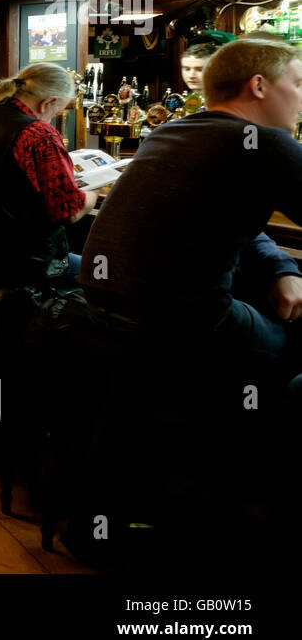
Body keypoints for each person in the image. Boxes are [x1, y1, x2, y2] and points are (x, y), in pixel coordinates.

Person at [80, 38, 302, 403]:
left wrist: (280, 267)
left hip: (104, 308)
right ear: (259, 85)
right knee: (291, 339)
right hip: (180, 322)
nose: (300, 97)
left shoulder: (168, 133)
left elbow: (228, 216)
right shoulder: (266, 142)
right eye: (296, 84)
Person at [0, 63, 98, 286]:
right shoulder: (39, 133)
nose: (53, 118)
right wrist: (94, 191)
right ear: (48, 103)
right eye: (57, 111)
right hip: (10, 260)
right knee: (106, 274)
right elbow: (69, 212)